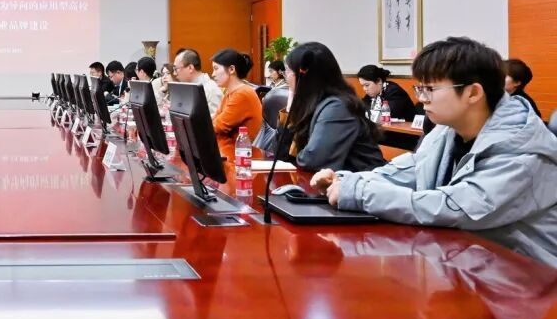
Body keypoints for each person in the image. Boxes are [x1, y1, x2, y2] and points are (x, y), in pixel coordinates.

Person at [312, 37, 557, 268]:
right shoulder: (447, 129)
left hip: (530, 281)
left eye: (429, 89)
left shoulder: (523, 152)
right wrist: (346, 181)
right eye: (420, 88)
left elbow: (454, 208)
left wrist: (360, 192)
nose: (421, 99)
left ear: (473, 93)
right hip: (469, 265)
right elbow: (410, 169)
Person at [285, 43, 386, 171]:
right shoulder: (313, 105)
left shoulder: (337, 108)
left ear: (305, 76)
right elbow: (283, 152)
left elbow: (313, 160)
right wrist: (290, 106)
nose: (286, 77)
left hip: (362, 181)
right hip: (336, 181)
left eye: (288, 71)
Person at [209, 49, 263, 170]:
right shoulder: (230, 92)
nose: (213, 74)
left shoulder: (242, 93)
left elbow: (217, 126)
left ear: (231, 69)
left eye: (216, 69)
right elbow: (215, 121)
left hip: (242, 161)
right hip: (231, 153)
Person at [172, 48, 223, 118]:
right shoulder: (187, 88)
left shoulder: (211, 90)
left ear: (190, 68)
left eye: (176, 69)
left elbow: (215, 121)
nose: (174, 73)